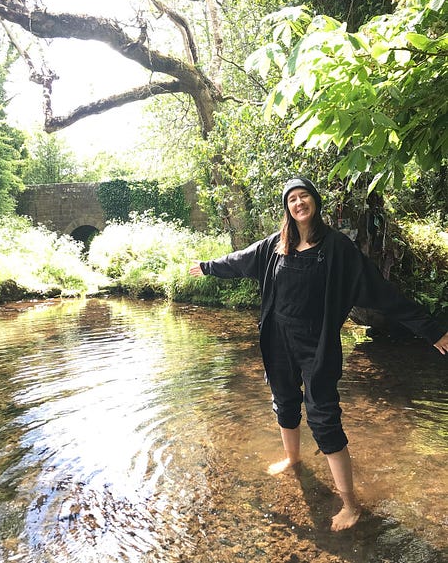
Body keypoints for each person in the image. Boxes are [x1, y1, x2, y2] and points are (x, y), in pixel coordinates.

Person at [189, 176, 448, 531]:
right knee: (284, 401)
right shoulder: (274, 246)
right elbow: (239, 260)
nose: (299, 203)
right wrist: (207, 267)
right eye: (292, 199)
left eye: (304, 196)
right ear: (287, 208)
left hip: (317, 345)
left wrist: (432, 330)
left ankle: (350, 504)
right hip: (278, 340)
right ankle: (292, 459)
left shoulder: (337, 248)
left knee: (323, 416)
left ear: (315, 202)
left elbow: (383, 292)